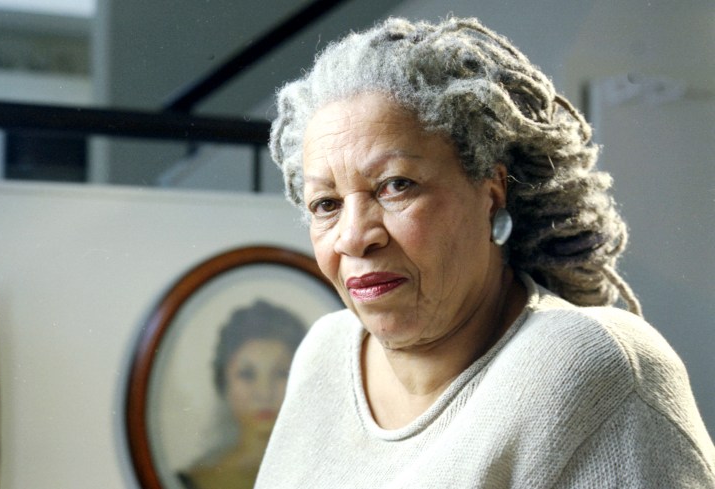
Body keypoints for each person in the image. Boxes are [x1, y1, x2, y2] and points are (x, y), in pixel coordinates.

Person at [254, 17, 715, 488]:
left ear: (491, 193)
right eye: (326, 204)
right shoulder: (324, 351)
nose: (353, 237)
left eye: (396, 186)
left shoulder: (586, 364)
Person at [178, 300, 307, 489]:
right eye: (247, 374)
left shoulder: (329, 473)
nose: (264, 394)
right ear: (224, 383)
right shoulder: (190, 482)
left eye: (281, 373)